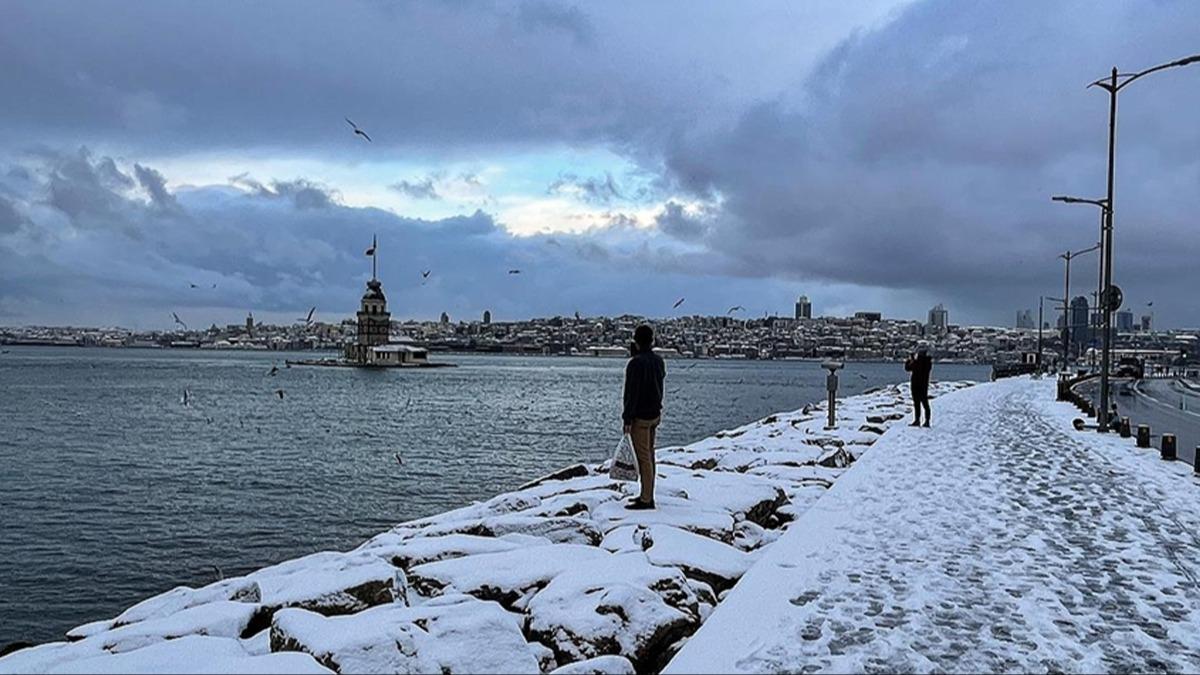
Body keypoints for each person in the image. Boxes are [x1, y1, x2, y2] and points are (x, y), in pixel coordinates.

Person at [622, 324, 666, 510]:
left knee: (643, 458)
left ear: (636, 341)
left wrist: (627, 419)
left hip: (640, 417)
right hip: (654, 414)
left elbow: (631, 394)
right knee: (650, 454)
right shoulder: (658, 361)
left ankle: (646, 499)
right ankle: (648, 494)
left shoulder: (635, 364)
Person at [905, 341, 933, 427]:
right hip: (924, 384)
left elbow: (908, 368)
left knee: (917, 403)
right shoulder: (928, 362)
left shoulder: (917, 362)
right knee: (925, 403)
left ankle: (917, 420)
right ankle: (927, 421)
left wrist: (910, 359)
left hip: (916, 384)